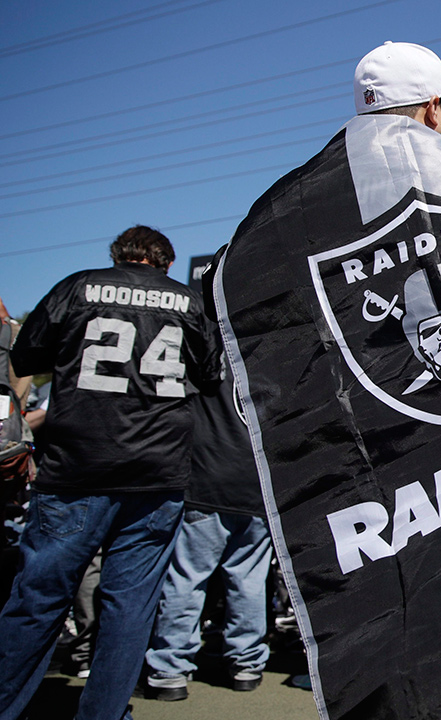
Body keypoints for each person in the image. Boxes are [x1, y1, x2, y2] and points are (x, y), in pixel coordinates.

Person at [0, 226, 220, 720]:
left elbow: (26, 356)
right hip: (156, 472)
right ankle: (104, 713)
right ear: (165, 261)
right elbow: (210, 376)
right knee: (131, 609)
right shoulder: (188, 301)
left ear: (118, 256)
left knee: (38, 599)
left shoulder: (78, 287)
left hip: (78, 467)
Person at [144, 283, 274, 701]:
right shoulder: (270, 349)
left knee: (187, 577)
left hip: (205, 479)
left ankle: (170, 671)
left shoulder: (201, 342)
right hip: (257, 483)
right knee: (249, 579)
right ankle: (247, 664)